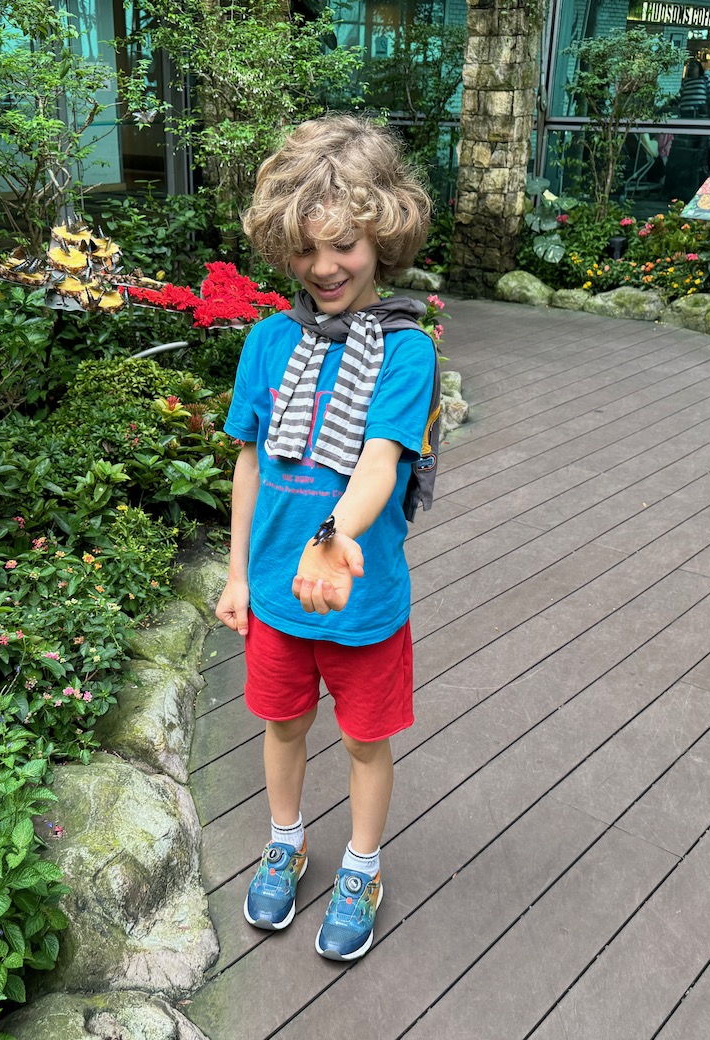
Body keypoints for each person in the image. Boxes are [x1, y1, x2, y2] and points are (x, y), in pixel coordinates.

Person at [215, 115, 436, 962]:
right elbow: (246, 464)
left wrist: (334, 533)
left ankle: (362, 865)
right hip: (274, 595)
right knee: (281, 728)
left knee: (364, 739)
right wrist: (238, 574)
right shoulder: (269, 343)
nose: (325, 267)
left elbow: (380, 464)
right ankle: (287, 839)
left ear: (383, 235)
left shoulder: (404, 352)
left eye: (344, 243)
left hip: (361, 598)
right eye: (306, 249)